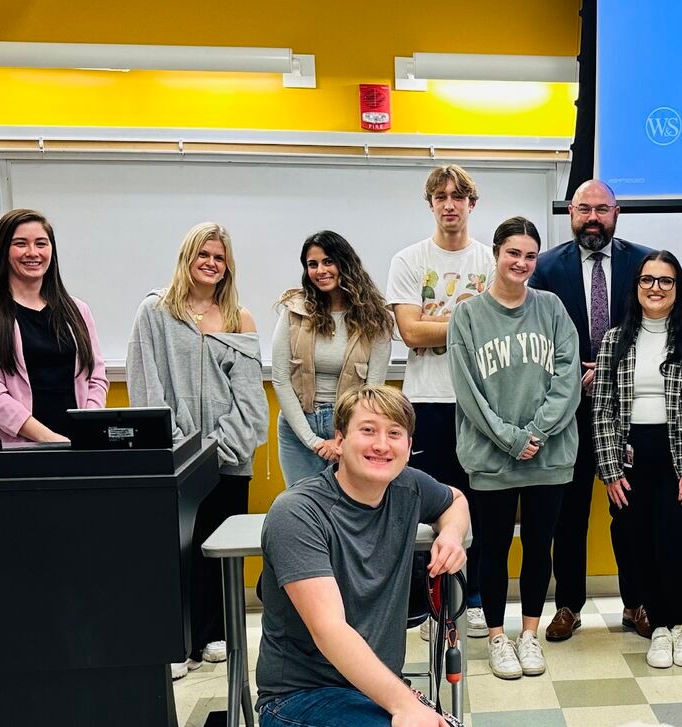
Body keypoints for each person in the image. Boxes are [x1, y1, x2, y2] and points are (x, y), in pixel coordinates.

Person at [254, 385, 476, 727]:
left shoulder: (409, 488)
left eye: (394, 434)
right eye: (367, 431)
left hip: (371, 693)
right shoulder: (298, 513)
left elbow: (456, 499)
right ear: (338, 439)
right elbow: (332, 631)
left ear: (408, 444)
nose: (382, 445)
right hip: (299, 703)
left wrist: (450, 533)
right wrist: (406, 706)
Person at [126, 222, 269, 679]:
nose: (211, 263)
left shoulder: (239, 319)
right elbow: (147, 388)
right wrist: (182, 450)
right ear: (187, 258)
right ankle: (178, 643)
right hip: (177, 460)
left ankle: (217, 634)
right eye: (202, 255)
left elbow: (249, 399)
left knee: (219, 552)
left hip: (230, 458)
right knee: (178, 552)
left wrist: (220, 449)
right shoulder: (155, 312)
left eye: (219, 257)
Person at [449, 217, 581, 680]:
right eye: (513, 254)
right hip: (491, 456)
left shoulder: (551, 308)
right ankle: (497, 638)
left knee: (540, 546)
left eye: (530, 256)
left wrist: (537, 434)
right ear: (497, 254)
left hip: (549, 455)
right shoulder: (467, 315)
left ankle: (528, 634)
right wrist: (509, 437)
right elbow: (467, 391)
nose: (522, 263)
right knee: (493, 548)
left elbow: (568, 381)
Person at [529, 179, 655, 642]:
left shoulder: (644, 262)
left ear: (617, 212)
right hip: (567, 410)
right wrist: (572, 372)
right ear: (570, 213)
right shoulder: (544, 268)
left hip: (629, 410)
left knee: (631, 511)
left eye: (602, 209)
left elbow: (653, 324)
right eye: (584, 209)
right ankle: (568, 605)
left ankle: (636, 602)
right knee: (570, 514)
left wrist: (609, 365)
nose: (593, 218)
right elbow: (536, 336)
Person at [594, 251, 682, 669]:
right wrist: (610, 470)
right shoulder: (616, 338)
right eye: (647, 280)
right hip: (632, 459)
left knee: (678, 547)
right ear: (636, 287)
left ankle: (681, 626)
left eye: (665, 281)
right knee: (640, 546)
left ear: (678, 288)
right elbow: (603, 409)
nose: (655, 288)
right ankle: (659, 630)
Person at [386, 164, 494, 639]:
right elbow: (410, 332)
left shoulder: (492, 261)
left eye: (458, 196)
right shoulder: (409, 260)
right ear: (430, 204)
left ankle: (472, 600)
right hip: (426, 401)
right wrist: (472, 324)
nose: (450, 204)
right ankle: (437, 605)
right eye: (441, 197)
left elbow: (502, 329)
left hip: (481, 403)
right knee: (432, 506)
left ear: (472, 203)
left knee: (480, 506)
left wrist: (443, 327)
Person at [273, 231, 394, 486]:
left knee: (347, 508)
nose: (320, 270)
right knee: (302, 509)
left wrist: (342, 436)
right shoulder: (294, 311)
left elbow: (372, 391)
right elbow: (281, 379)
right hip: (298, 426)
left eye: (328, 261)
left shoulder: (375, 318)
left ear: (345, 263)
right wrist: (313, 440)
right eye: (312, 264)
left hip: (352, 427)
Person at [0, 209, 107, 444]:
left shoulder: (78, 310)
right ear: (3, 251)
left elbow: (96, 377)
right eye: (20, 244)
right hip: (15, 452)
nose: (32, 253)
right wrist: (51, 440)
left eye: (41, 243)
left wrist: (87, 428)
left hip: (78, 446)